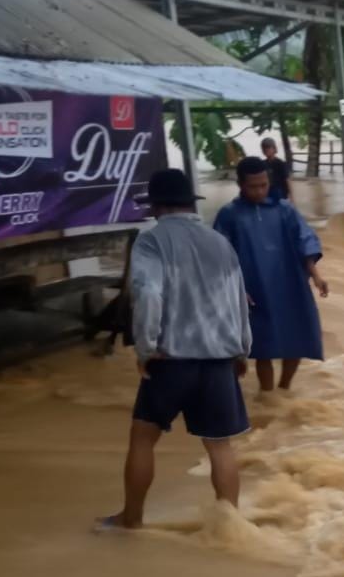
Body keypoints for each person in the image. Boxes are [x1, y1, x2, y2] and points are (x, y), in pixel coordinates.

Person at [98, 168, 252, 530]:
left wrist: (145, 349)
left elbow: (149, 295)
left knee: (143, 438)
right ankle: (231, 528)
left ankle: (131, 519)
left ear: (157, 206)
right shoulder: (219, 241)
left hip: (171, 360)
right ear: (188, 203)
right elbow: (240, 301)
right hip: (218, 360)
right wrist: (242, 351)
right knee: (220, 446)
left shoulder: (152, 242)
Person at [214, 156, 328, 392]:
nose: (259, 191)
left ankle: (284, 388)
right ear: (240, 185)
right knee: (262, 346)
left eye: (263, 185)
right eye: (253, 186)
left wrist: (316, 275)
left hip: (290, 283)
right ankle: (267, 395)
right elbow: (219, 255)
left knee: (296, 337)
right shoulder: (229, 214)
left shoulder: (285, 210)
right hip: (253, 287)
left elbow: (303, 240)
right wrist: (236, 289)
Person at [260, 137, 290, 202]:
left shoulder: (281, 163)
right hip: (267, 191)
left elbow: (286, 180)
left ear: (274, 149)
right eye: (264, 149)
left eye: (268, 148)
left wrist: (290, 196)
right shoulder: (262, 164)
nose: (266, 150)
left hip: (279, 191)